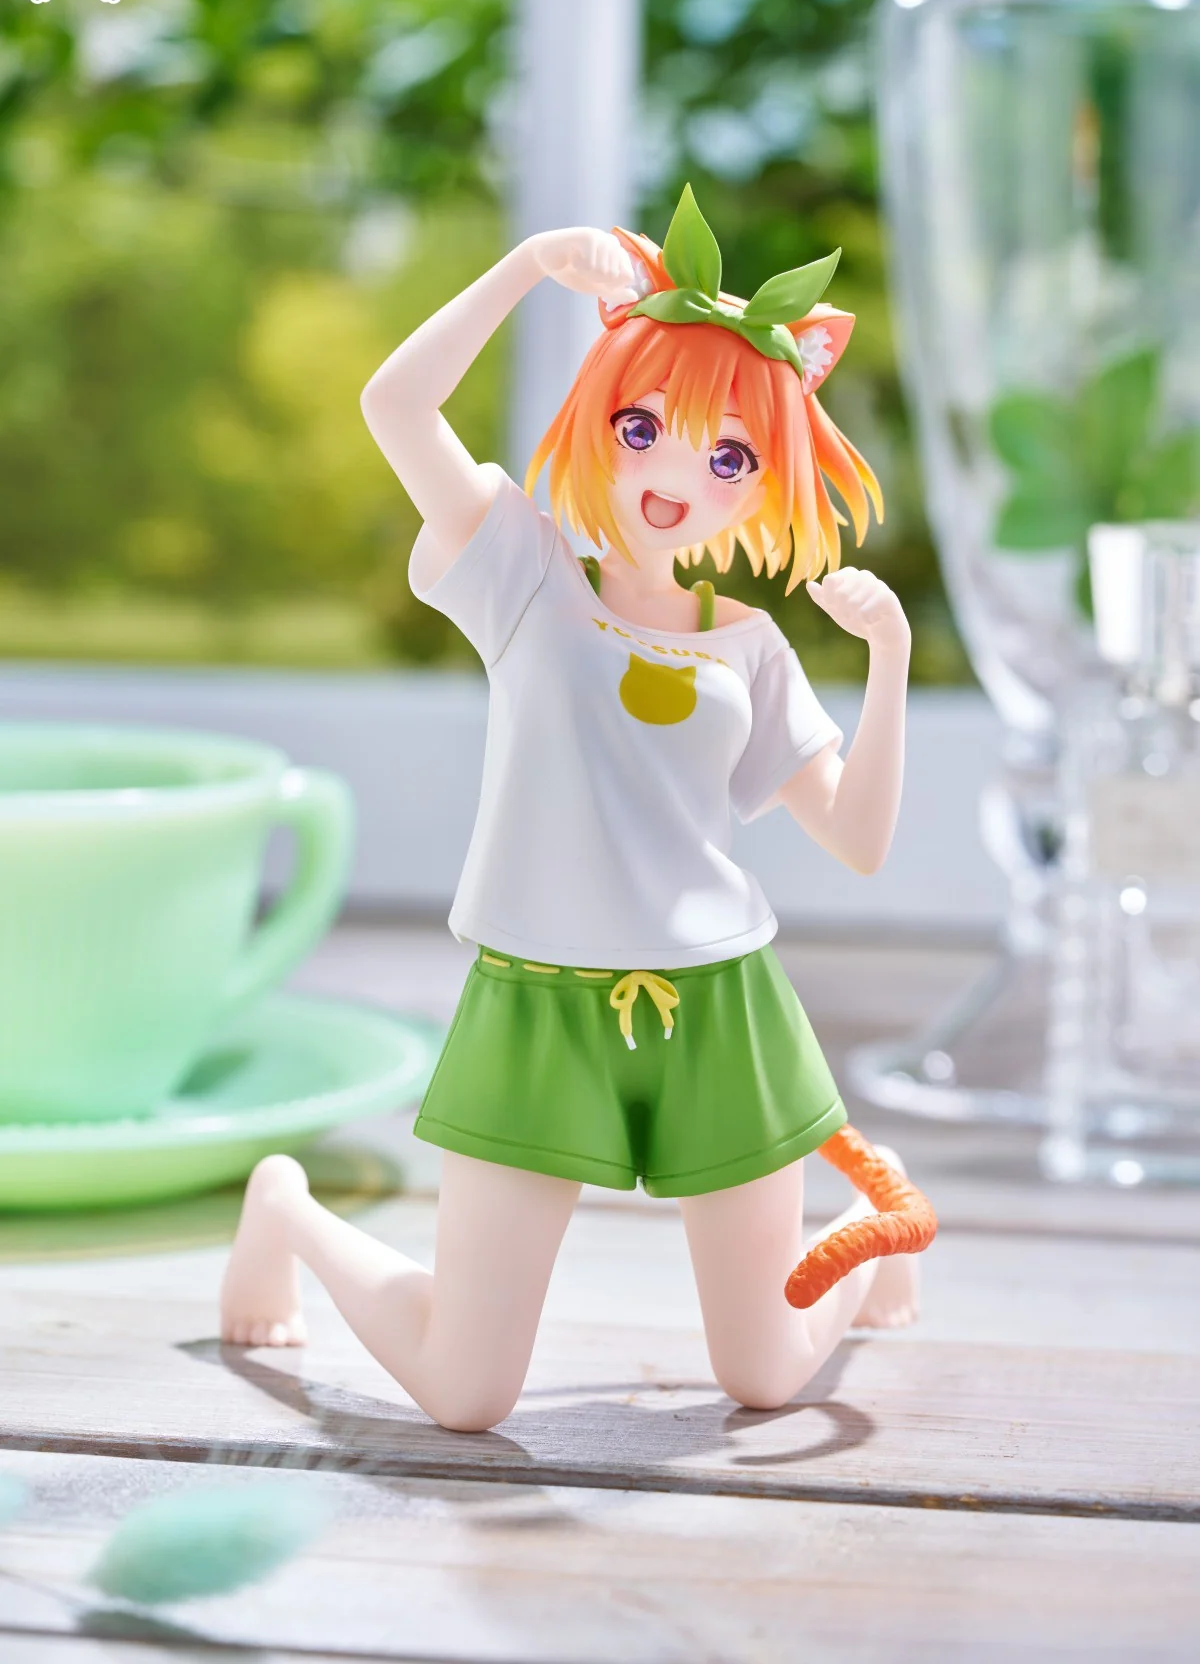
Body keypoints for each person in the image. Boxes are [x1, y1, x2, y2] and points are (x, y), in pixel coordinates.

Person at [220, 186, 936, 1432]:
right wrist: (522, 268)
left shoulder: (752, 645)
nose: (676, 478)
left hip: (722, 1010)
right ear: (599, 422)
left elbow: (861, 842)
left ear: (765, 483)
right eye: (644, 427)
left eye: (729, 457)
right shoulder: (523, 567)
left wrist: (890, 658)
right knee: (465, 1391)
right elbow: (395, 405)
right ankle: (285, 1208)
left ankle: (869, 1251)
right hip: (537, 1005)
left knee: (764, 1377)